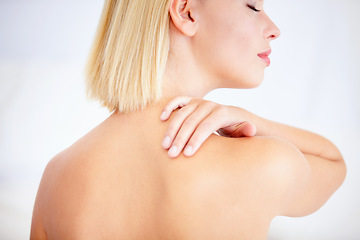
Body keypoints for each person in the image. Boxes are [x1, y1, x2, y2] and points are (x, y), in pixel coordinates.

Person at [30, 0, 346, 239]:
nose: (274, 28)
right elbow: (334, 164)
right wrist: (251, 120)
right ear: (186, 12)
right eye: (252, 6)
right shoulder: (260, 162)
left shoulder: (57, 177)